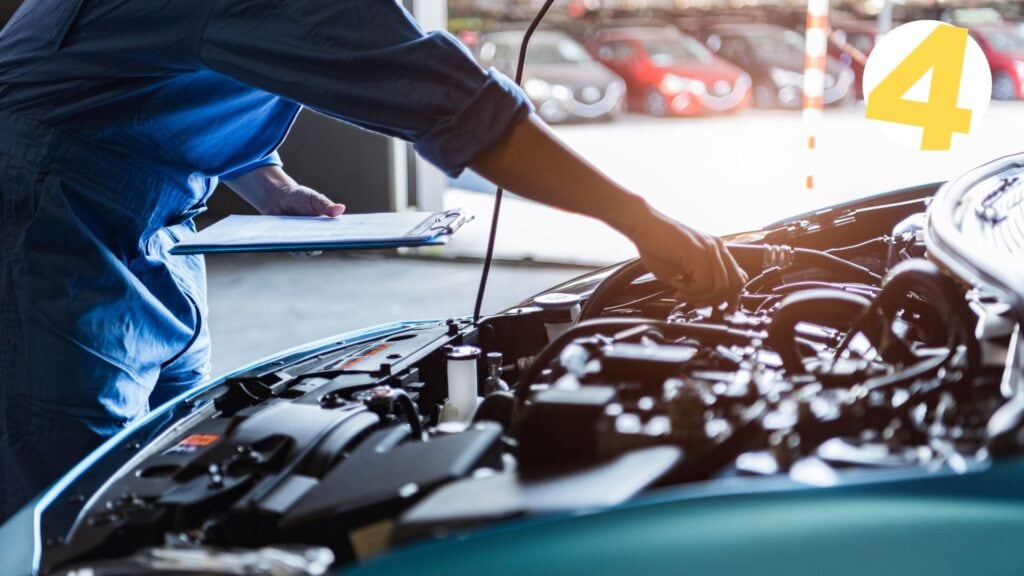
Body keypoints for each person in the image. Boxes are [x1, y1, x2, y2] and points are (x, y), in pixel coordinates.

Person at [0, 0, 746, 521]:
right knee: (73, 484)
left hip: (137, 206)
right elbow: (464, 112)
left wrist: (269, 181)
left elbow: (148, 67)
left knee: (167, 450)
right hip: (47, 209)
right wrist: (642, 222)